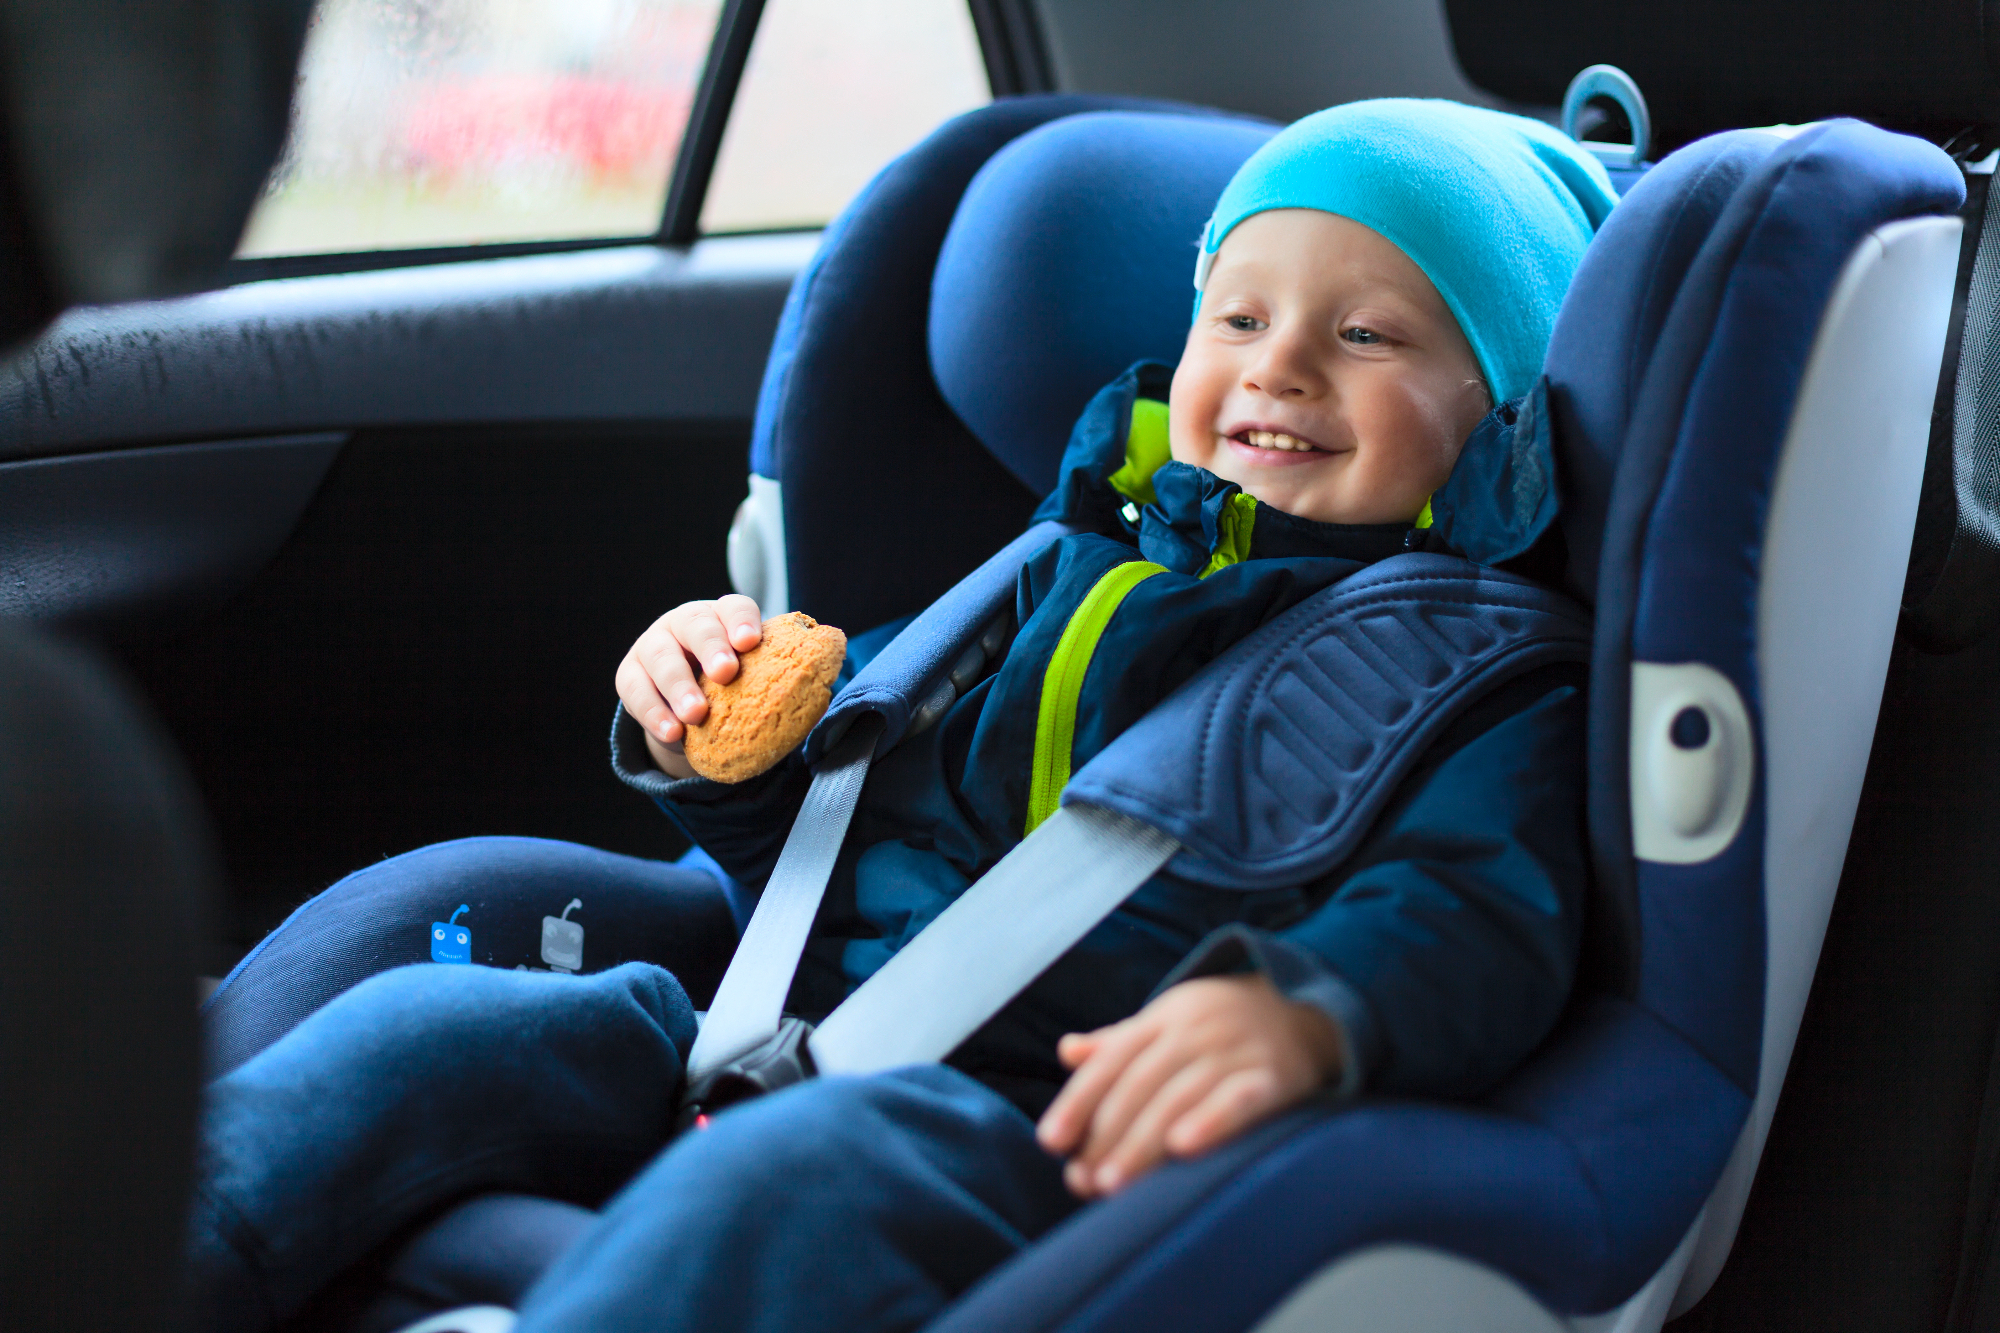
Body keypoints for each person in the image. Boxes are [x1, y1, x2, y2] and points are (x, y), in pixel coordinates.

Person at [188, 99, 1617, 1333]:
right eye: (1236, 316)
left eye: (1366, 333)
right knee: (431, 1022)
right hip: (759, 1024)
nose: (1279, 364)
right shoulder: (1065, 570)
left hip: (1029, 1124)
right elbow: (825, 818)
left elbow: (1481, 902)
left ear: (1499, 411)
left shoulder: (1477, 669)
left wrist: (1309, 1011)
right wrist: (706, 728)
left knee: (800, 1170)